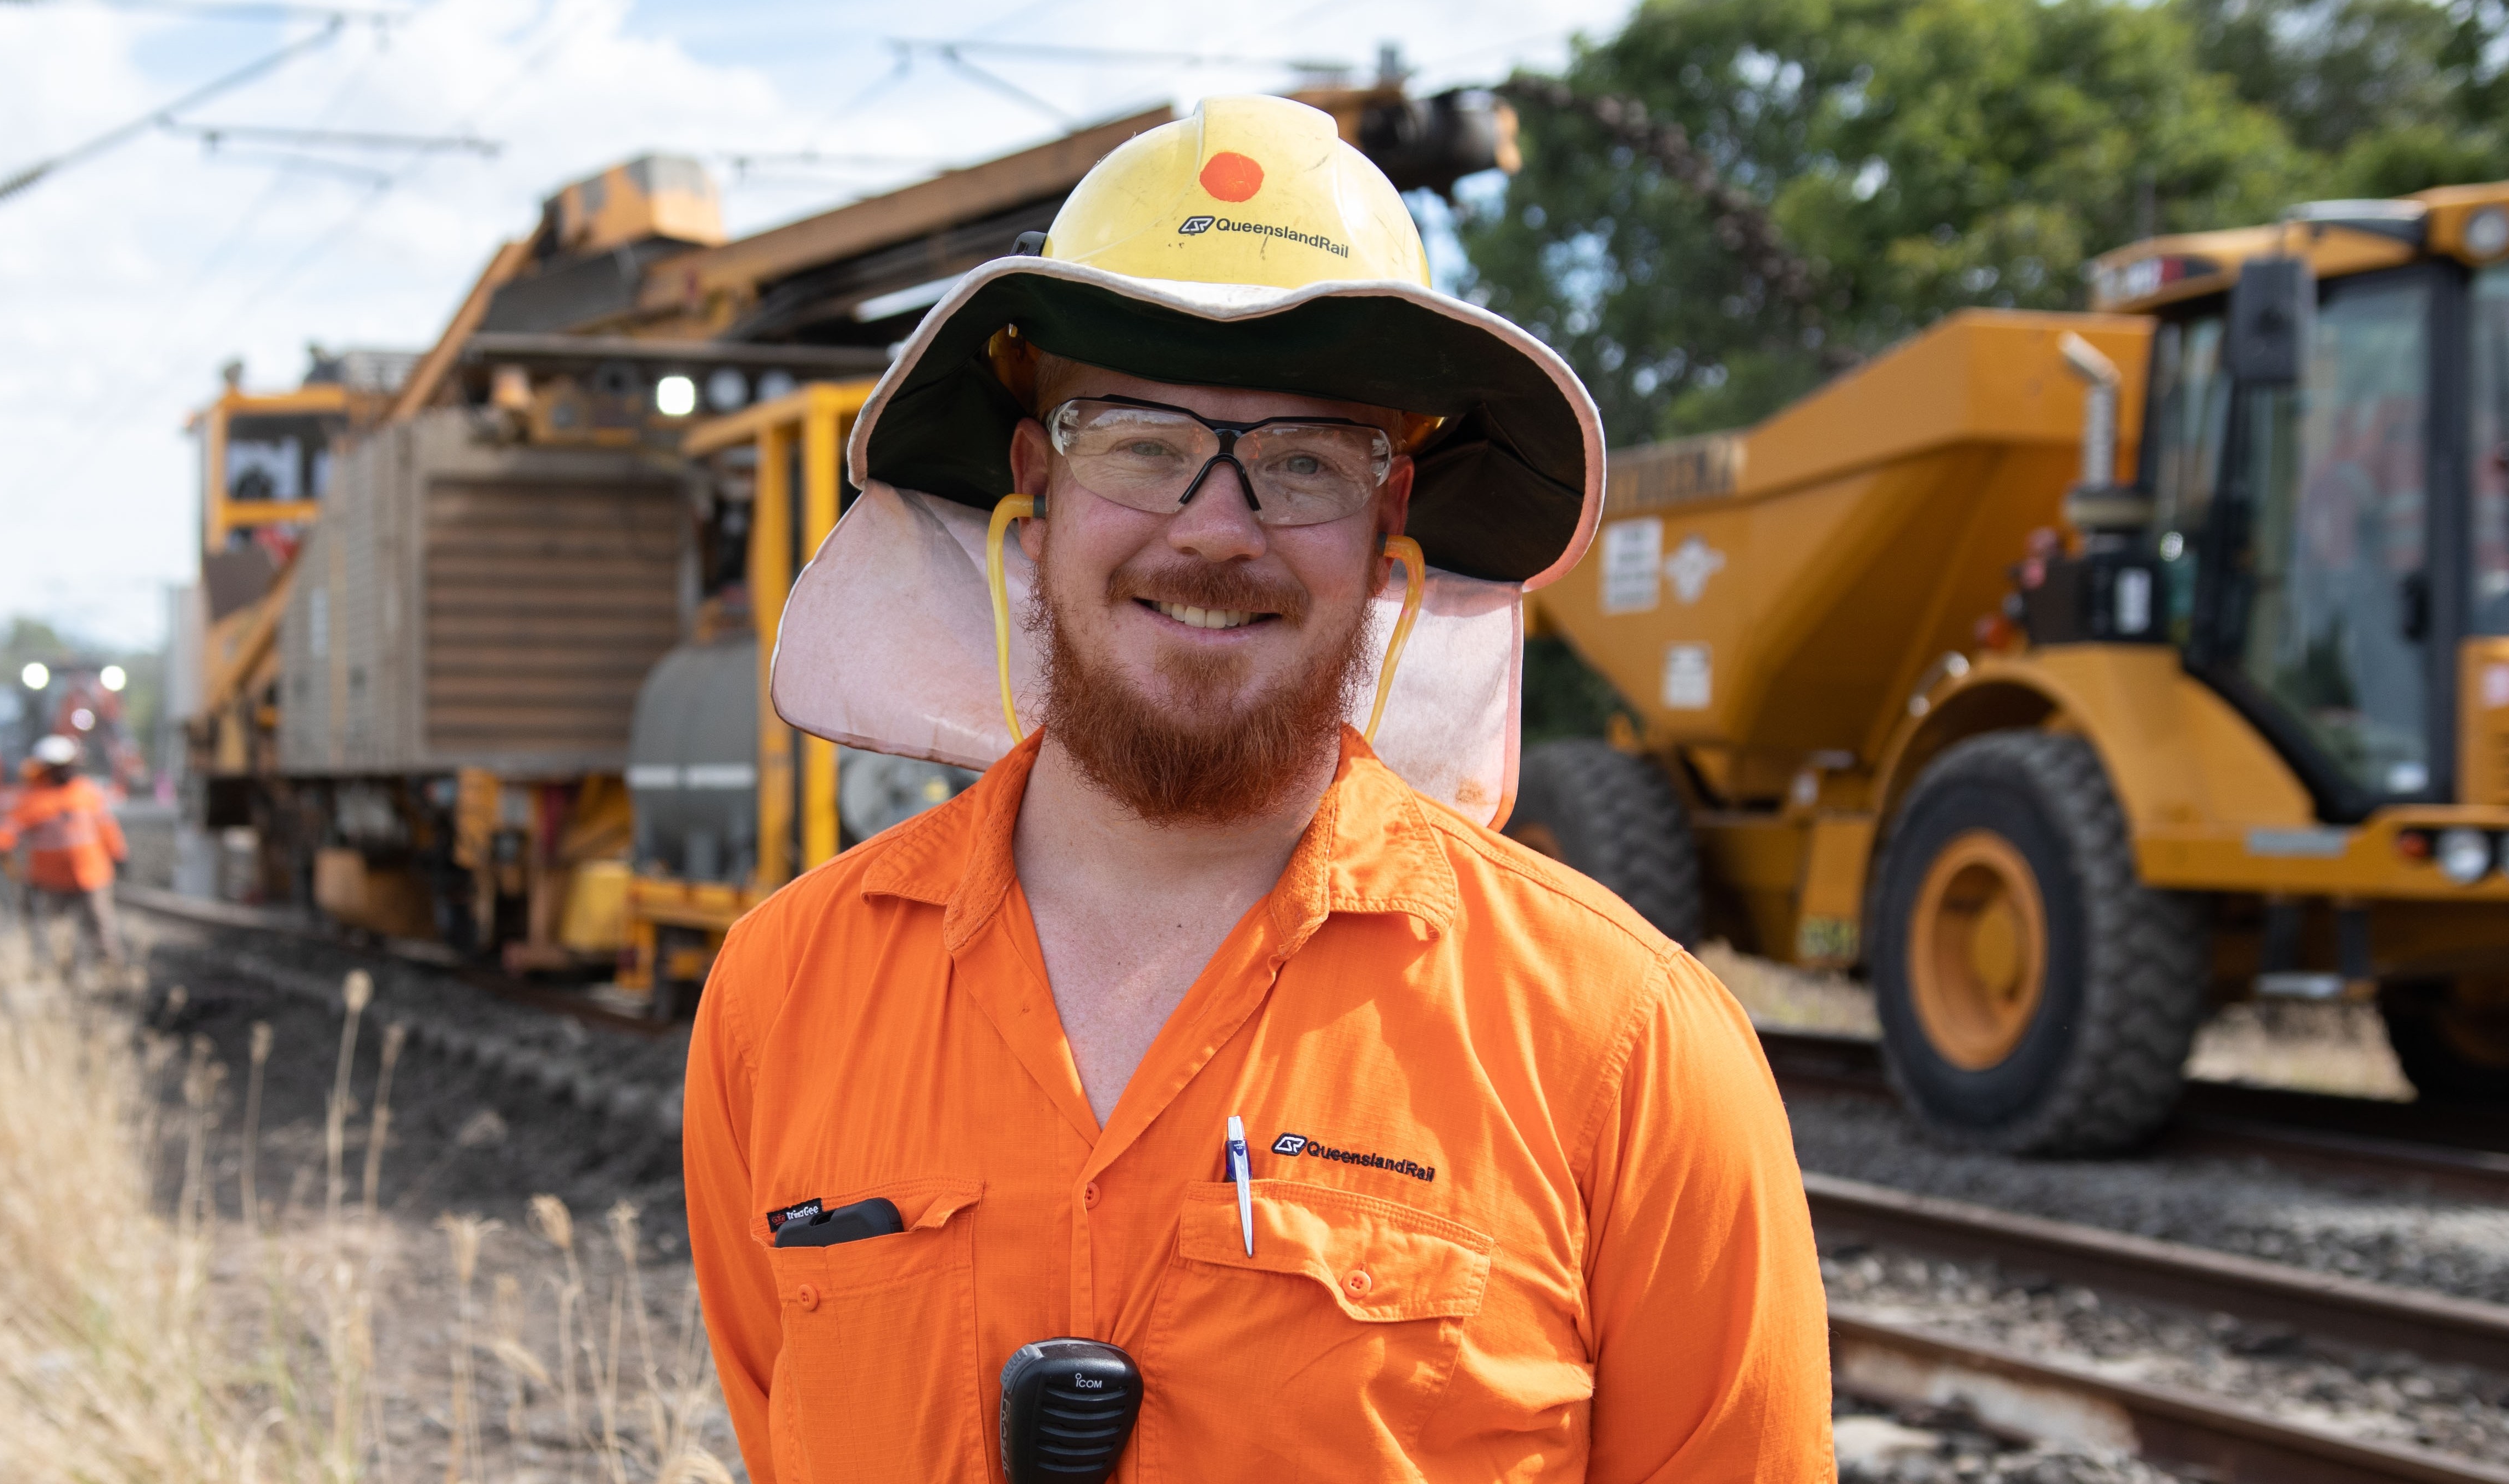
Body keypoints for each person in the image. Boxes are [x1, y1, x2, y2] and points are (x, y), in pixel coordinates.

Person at [682, 96, 1831, 1481]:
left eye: (1302, 462)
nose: (1217, 527)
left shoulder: (1628, 1044)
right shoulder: (783, 997)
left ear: (1388, 522)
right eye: (1141, 442)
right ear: (1036, 490)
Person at [0, 734, 129, 969]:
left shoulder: (86, 792)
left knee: (100, 924)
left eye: (69, 765)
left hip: (91, 875)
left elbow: (107, 826)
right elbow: (7, 830)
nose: (66, 771)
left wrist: (119, 854)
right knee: (58, 930)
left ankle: (109, 969)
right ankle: (62, 970)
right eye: (59, 767)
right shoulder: (33, 799)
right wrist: (2, 850)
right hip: (52, 881)